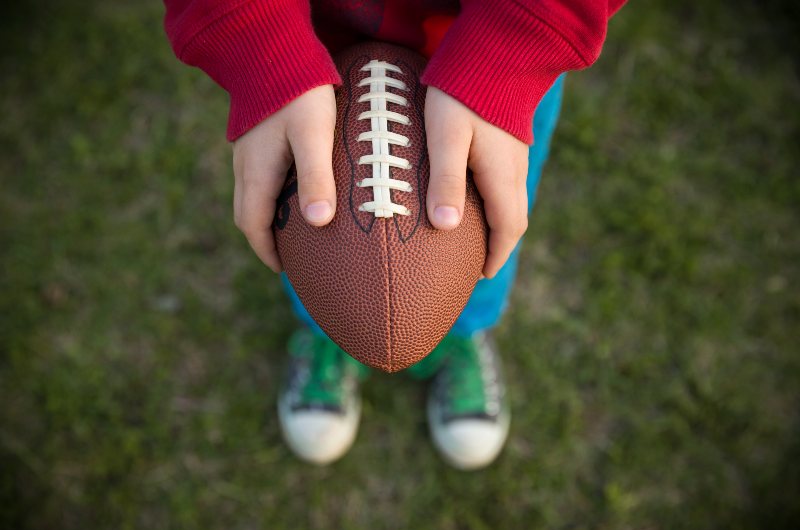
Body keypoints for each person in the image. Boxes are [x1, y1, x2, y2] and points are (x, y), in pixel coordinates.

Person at [164, 0, 625, 470]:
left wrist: (515, 45)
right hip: (305, 43)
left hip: (496, 47)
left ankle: (465, 329)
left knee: (481, 210)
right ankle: (327, 328)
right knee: (314, 210)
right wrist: (256, 39)